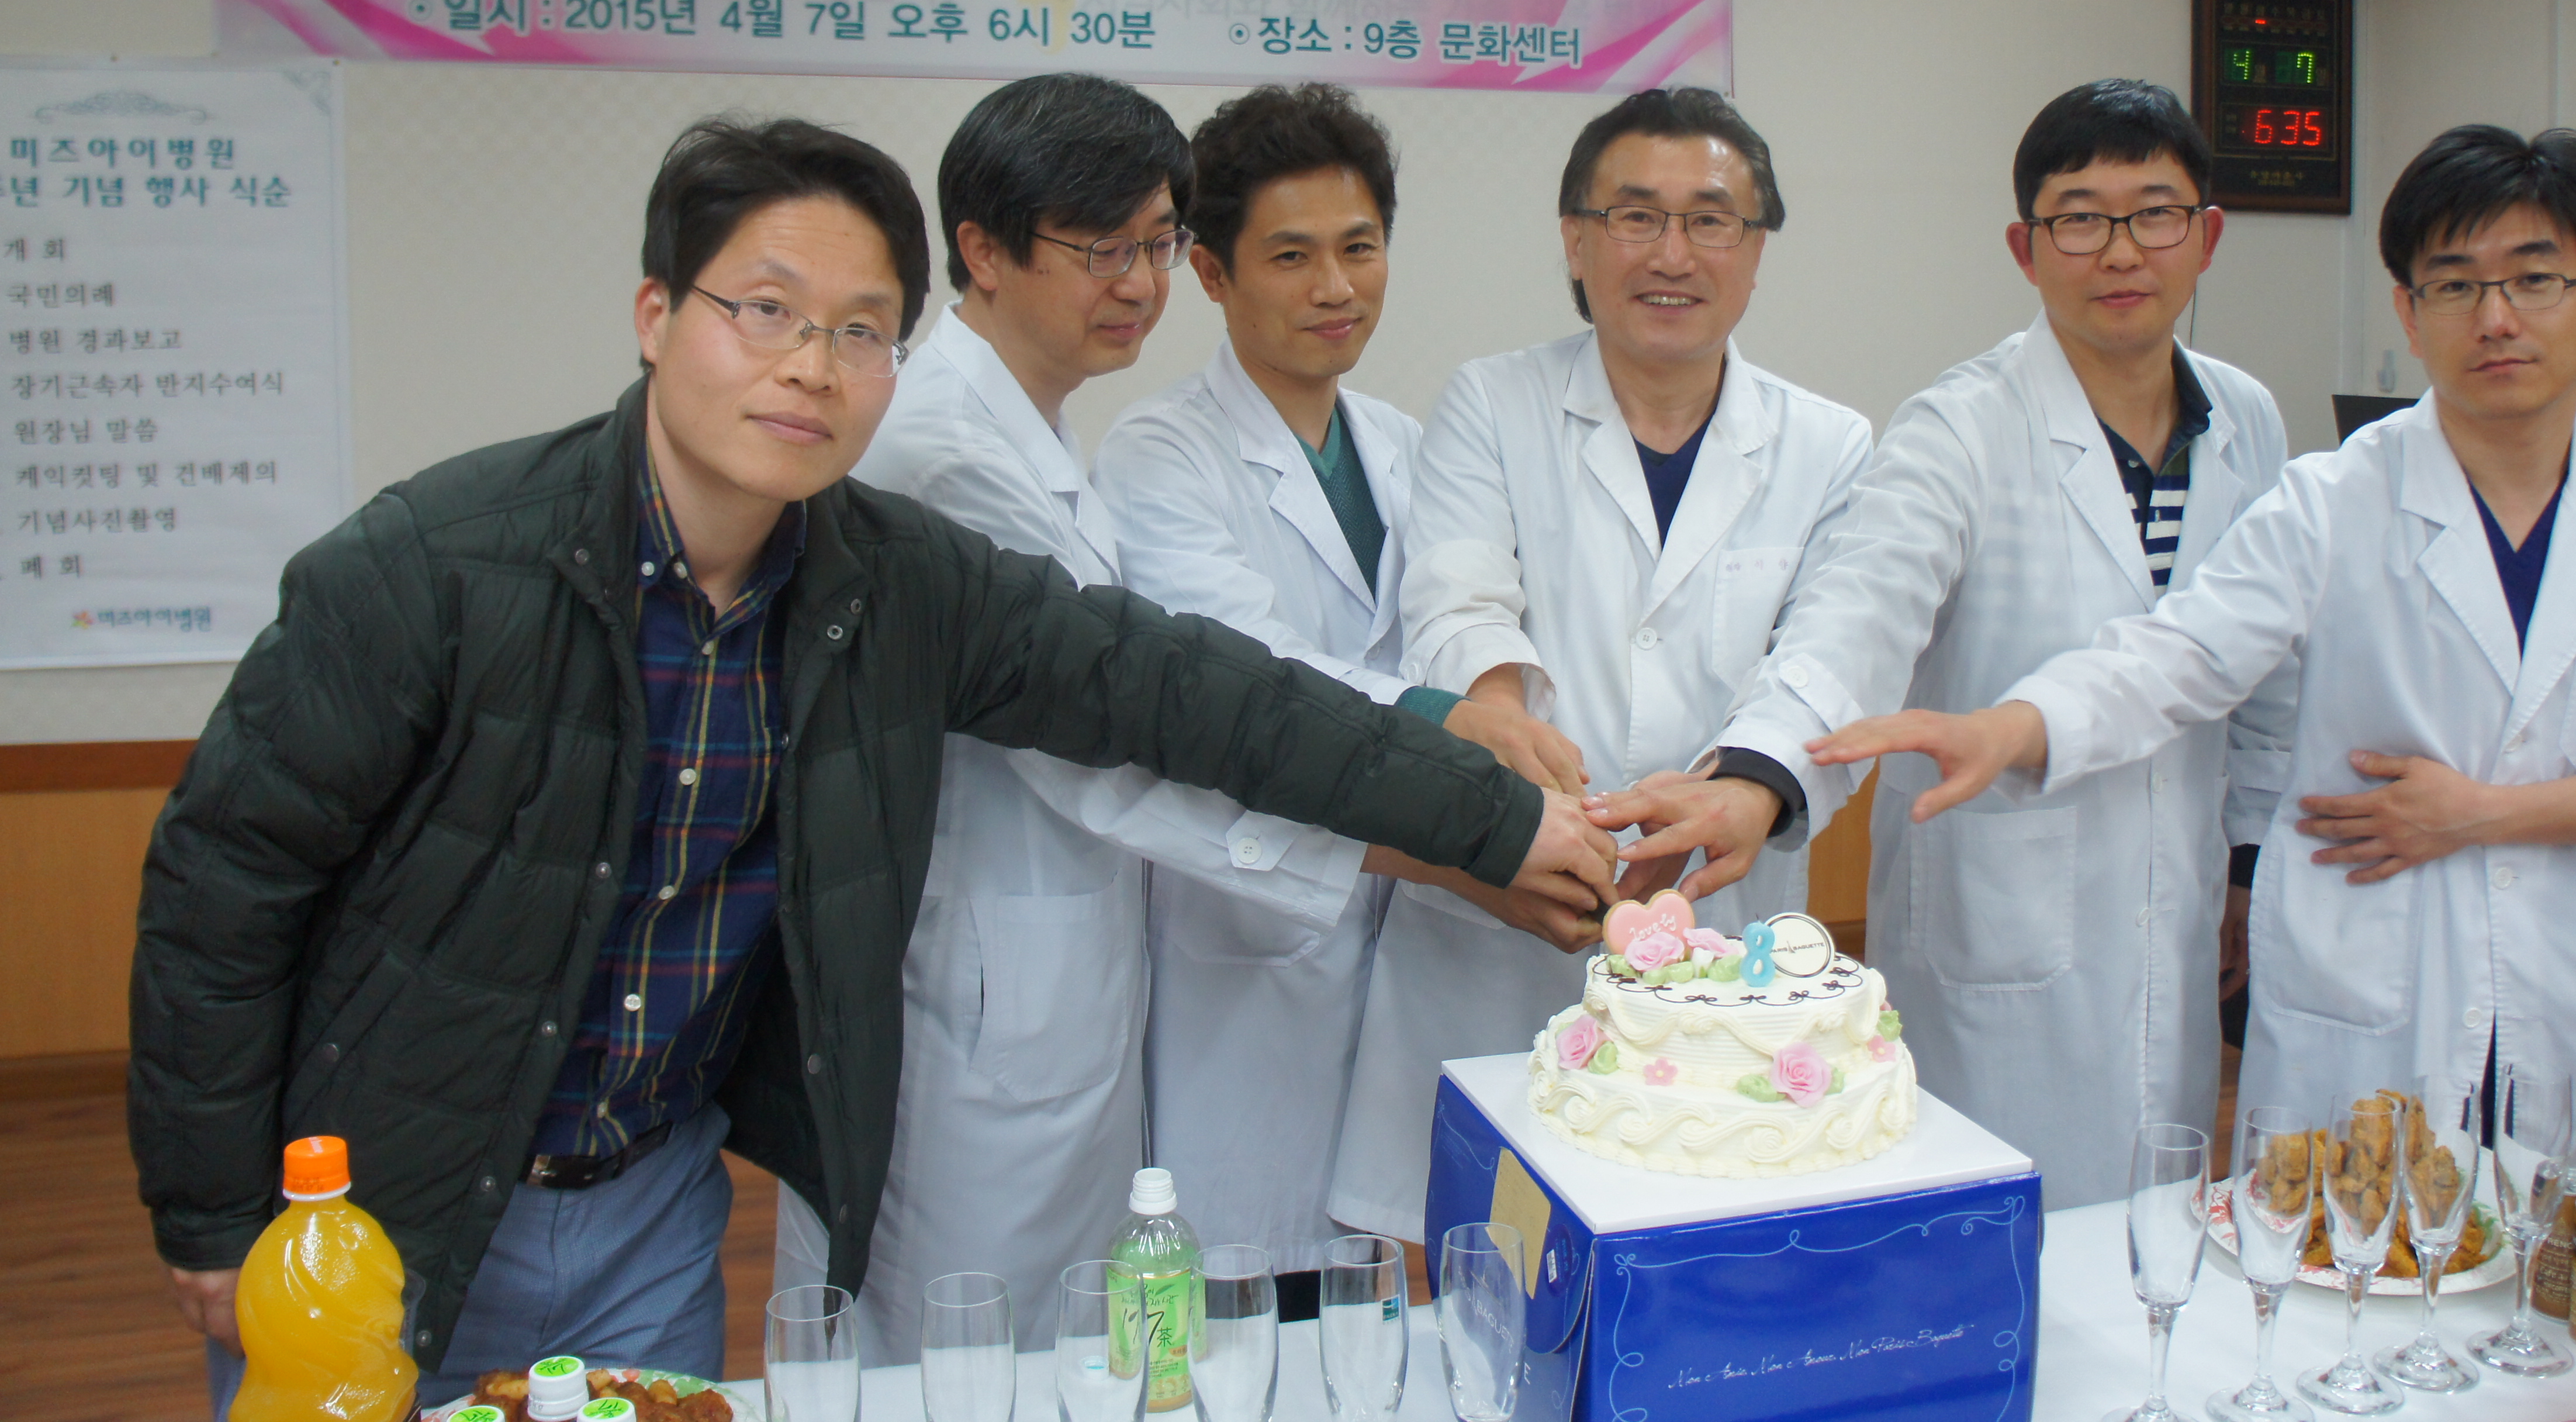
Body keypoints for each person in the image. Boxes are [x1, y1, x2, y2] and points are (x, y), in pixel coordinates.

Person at [133, 115, 1615, 1414]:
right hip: (380, 1208)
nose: (810, 366)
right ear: (655, 314)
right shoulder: (435, 567)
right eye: (764, 311)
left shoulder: (893, 580)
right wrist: (208, 1216)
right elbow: (224, 885)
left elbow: (1184, 692)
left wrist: (1485, 816)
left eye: (860, 332)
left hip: (652, 1203)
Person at [765, 74, 1596, 1360]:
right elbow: (1145, 731)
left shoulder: (1030, 433)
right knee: (967, 1346)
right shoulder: (951, 456)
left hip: (1087, 957)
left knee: (1094, 1336)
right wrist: (1457, 823)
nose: (1140, 284)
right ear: (982, 250)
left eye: (1153, 244)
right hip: (994, 986)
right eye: (1105, 250)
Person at [1813, 126, 2576, 1169]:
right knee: (2349, 1245)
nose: (2496, 318)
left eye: (2535, 280)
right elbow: (2180, 654)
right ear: (2409, 312)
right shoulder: (2337, 497)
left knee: (2574, 1255)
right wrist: (2015, 726)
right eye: (2455, 285)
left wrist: (2483, 815)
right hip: (2378, 980)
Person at [1610, 80, 2295, 1208]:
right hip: (2000, 919)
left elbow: (2265, 666)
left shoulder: (2247, 420)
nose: (2121, 251)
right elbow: (1858, 617)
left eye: (2155, 214)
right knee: (1989, 1224)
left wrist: (2248, 864)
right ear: (2027, 250)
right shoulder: (1959, 425)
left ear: (2208, 236)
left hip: (2178, 902)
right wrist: (1757, 773)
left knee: (2158, 1215)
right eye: (2081, 219)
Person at [1327, 87, 1872, 1244]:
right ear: (1576, 240)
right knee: (1476, 1269)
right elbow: (1457, 597)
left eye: (1710, 219)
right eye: (1635, 216)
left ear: (1755, 249)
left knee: (1703, 1256)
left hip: (1719, 935)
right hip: (1498, 919)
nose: (1672, 254)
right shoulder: (1490, 402)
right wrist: (1500, 741)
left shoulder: (1830, 446)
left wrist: (1746, 790)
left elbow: (1835, 652)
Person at [1093, 84, 1581, 1306]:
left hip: (1409, 926)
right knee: (1245, 1289)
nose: (1335, 288)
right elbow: (1246, 672)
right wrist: (1444, 723)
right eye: (1291, 256)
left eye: (1359, 249)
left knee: (1387, 1278)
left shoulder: (1409, 446)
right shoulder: (1158, 454)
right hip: (1249, 932)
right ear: (1210, 272)